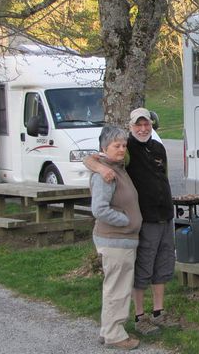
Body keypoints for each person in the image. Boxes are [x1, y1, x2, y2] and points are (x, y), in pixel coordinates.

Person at [85, 107, 176, 336]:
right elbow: (92, 158)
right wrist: (97, 167)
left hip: (165, 215)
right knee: (143, 268)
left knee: (162, 267)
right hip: (143, 219)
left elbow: (162, 176)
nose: (143, 128)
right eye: (138, 125)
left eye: (147, 124)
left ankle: (159, 312)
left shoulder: (157, 147)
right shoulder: (126, 149)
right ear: (131, 126)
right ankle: (139, 315)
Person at [90, 125, 142, 350]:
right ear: (104, 148)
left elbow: (89, 158)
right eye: (116, 146)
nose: (121, 149)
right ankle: (115, 335)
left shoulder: (117, 168)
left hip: (123, 240)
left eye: (123, 145)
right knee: (118, 289)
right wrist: (126, 220)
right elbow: (99, 209)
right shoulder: (105, 174)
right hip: (115, 240)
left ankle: (107, 330)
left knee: (114, 286)